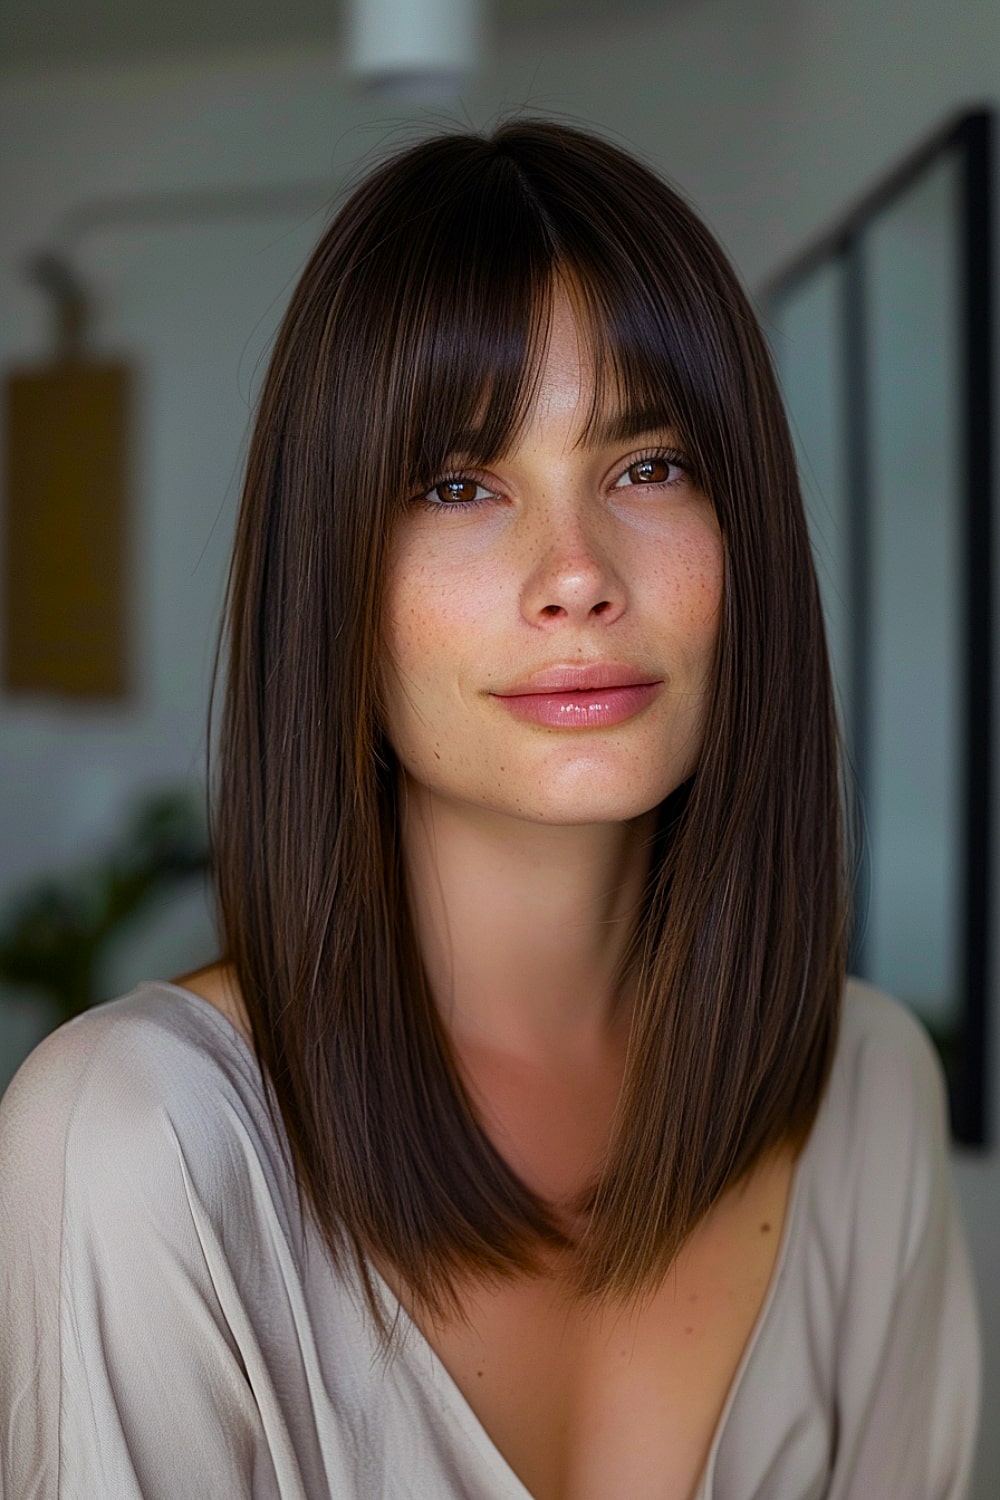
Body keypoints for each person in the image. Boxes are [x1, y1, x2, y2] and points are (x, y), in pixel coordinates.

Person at [0, 119, 981, 1500]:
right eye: (459, 486)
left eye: (648, 466)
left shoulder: (868, 1091)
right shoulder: (141, 1142)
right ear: (331, 584)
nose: (574, 575)